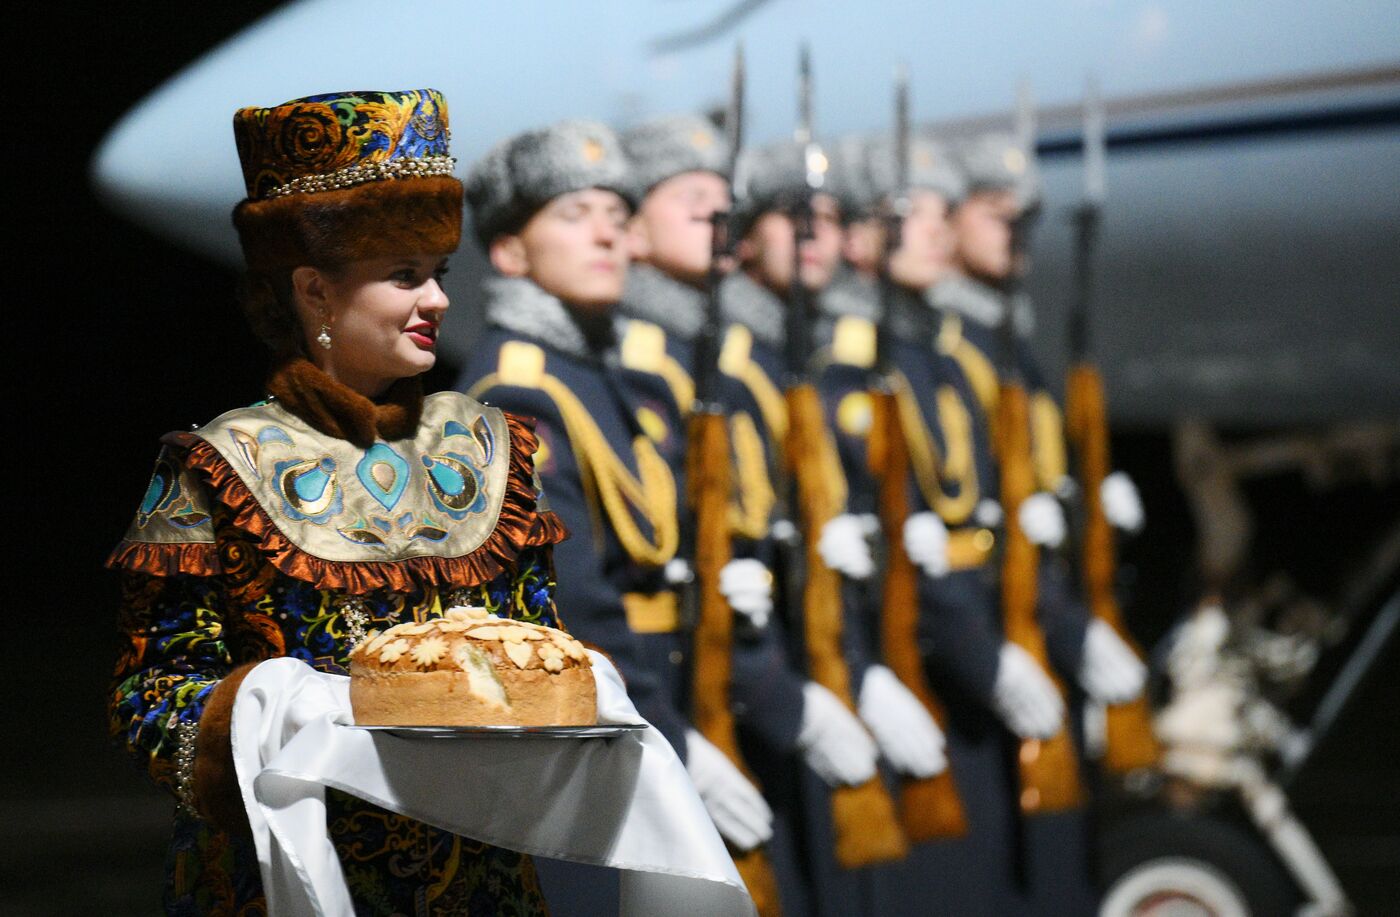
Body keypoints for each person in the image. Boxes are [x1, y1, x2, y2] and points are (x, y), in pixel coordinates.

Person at [107, 89, 570, 914]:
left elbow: (541, 642)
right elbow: (152, 695)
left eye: (439, 274)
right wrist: (263, 713)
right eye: (405, 277)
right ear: (315, 291)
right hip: (295, 871)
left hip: (479, 871)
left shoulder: (491, 446)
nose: (439, 302)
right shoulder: (220, 462)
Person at [455, 119, 774, 911]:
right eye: (571, 213)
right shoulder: (516, 390)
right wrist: (673, 742)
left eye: (613, 213)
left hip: (662, 691)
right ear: (510, 254)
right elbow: (575, 606)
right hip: (607, 730)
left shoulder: (608, 373)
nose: (605, 231)